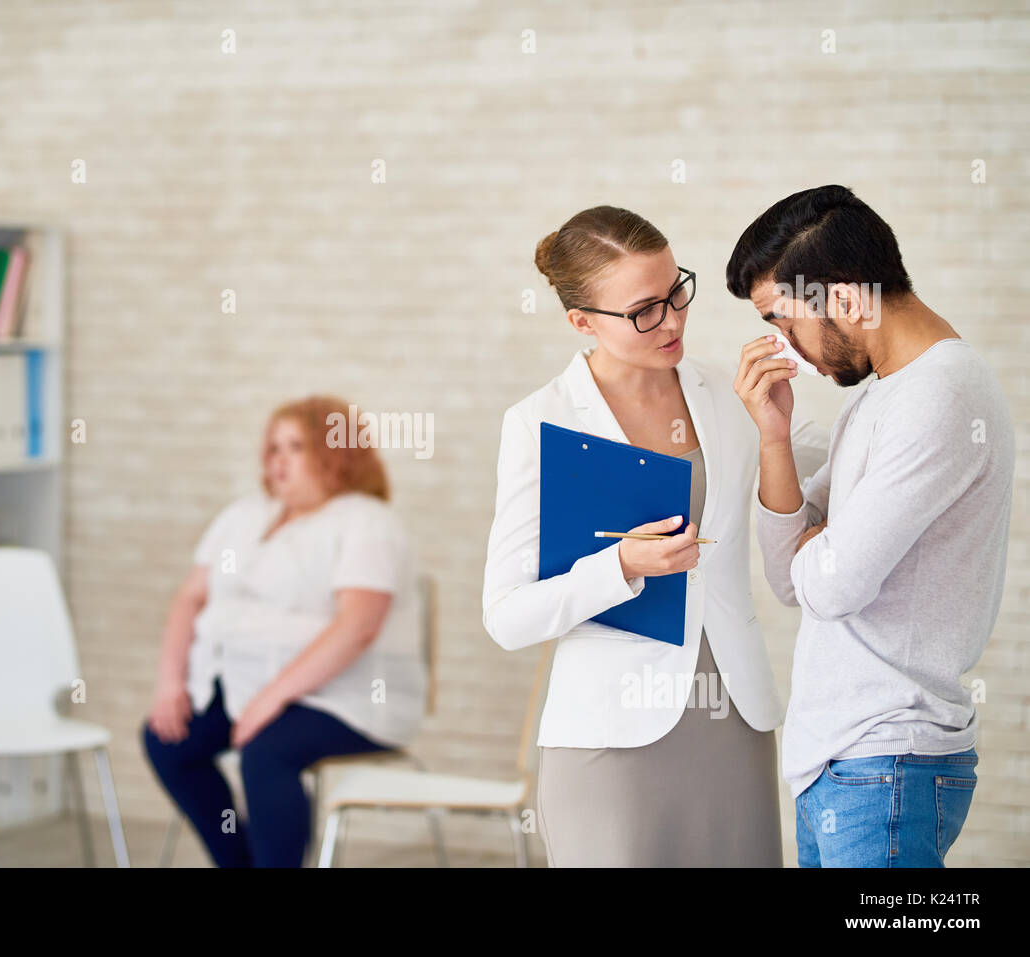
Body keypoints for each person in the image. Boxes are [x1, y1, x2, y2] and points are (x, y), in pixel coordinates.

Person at [482, 205, 828, 866]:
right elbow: (506, 616)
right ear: (581, 322)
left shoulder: (725, 394)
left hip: (733, 720)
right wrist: (619, 564)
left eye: (676, 292)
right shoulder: (541, 423)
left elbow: (836, 458)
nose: (671, 320)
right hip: (612, 743)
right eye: (644, 309)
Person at [728, 184, 1014, 867]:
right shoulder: (886, 394)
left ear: (849, 298)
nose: (785, 349)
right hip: (844, 760)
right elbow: (791, 578)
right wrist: (773, 439)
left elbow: (833, 585)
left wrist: (817, 546)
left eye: (784, 320)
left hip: (887, 762)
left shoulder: (938, 396)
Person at [142, 395, 426, 867]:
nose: (279, 460)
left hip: (347, 698)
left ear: (337, 454)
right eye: (273, 447)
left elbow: (358, 626)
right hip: (242, 686)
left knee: (267, 751)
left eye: (296, 446)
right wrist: (170, 683)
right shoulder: (243, 515)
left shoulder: (367, 522)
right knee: (168, 740)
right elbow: (189, 599)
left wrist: (272, 697)